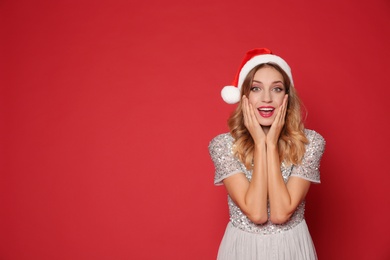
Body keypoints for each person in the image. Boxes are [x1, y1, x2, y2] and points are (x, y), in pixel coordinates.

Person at [208, 48, 325, 260]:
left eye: (277, 89)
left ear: (287, 98)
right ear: (244, 97)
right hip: (242, 249)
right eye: (256, 88)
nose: (267, 98)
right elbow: (257, 213)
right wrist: (260, 143)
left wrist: (271, 144)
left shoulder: (310, 143)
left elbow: (281, 214)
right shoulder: (223, 146)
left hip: (291, 247)